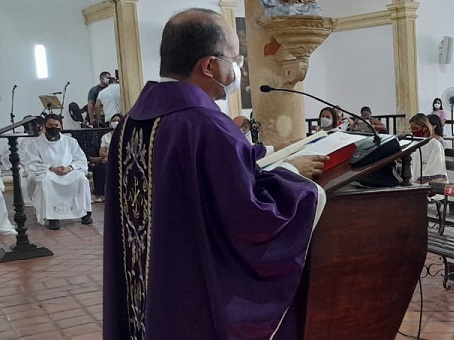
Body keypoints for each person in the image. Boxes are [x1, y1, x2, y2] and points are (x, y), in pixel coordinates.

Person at [103, 9, 329, 339]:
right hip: (191, 290)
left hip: (151, 283)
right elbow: (250, 215)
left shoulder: (131, 123)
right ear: (209, 66)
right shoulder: (205, 126)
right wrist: (292, 175)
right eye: (234, 58)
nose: (238, 69)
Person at [22, 114, 93, 230]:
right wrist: (51, 168)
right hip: (48, 172)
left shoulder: (70, 141)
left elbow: (81, 159)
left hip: (68, 171)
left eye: (56, 125)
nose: (53, 128)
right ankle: (52, 217)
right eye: (50, 125)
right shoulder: (34, 143)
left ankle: (85, 213)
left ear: (61, 126)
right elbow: (31, 163)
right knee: (46, 182)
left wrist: (69, 168)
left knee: (81, 179)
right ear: (45, 126)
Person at [90, 114, 124, 203]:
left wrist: (110, 157)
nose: (115, 123)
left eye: (118, 121)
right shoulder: (106, 136)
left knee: (104, 168)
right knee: (97, 167)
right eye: (113, 121)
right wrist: (108, 157)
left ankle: (99, 193)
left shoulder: (125, 134)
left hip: (120, 159)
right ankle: (97, 192)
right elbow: (101, 152)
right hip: (107, 158)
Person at [409, 113, 447, 184]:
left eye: (416, 129)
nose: (413, 131)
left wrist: (418, 182)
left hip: (431, 185)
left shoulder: (435, 145)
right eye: (412, 129)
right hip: (414, 182)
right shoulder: (415, 144)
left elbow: (435, 167)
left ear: (425, 127)